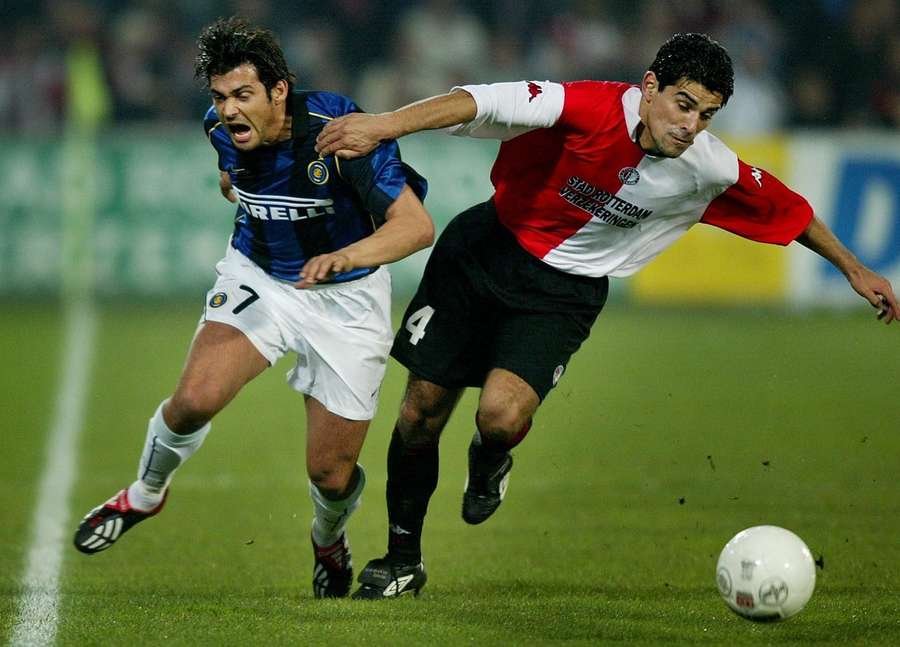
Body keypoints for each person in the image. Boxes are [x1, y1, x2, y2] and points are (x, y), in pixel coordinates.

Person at [314, 32, 899, 599]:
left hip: (562, 294)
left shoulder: (710, 168)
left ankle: (490, 458)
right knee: (420, 411)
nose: (690, 125)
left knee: (498, 415)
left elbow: (790, 210)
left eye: (707, 115)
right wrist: (383, 125)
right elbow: (479, 101)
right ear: (649, 88)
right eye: (683, 103)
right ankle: (402, 560)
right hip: (482, 252)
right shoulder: (584, 104)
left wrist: (854, 268)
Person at [72, 17, 434, 600]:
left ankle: (327, 538)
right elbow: (230, 175)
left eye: (243, 95)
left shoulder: (339, 131)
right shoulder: (219, 128)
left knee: (330, 474)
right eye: (220, 96)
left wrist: (345, 256)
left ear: (279, 91)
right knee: (193, 400)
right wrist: (234, 186)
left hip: (348, 297)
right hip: (260, 276)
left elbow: (416, 228)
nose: (230, 110)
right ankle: (144, 493)